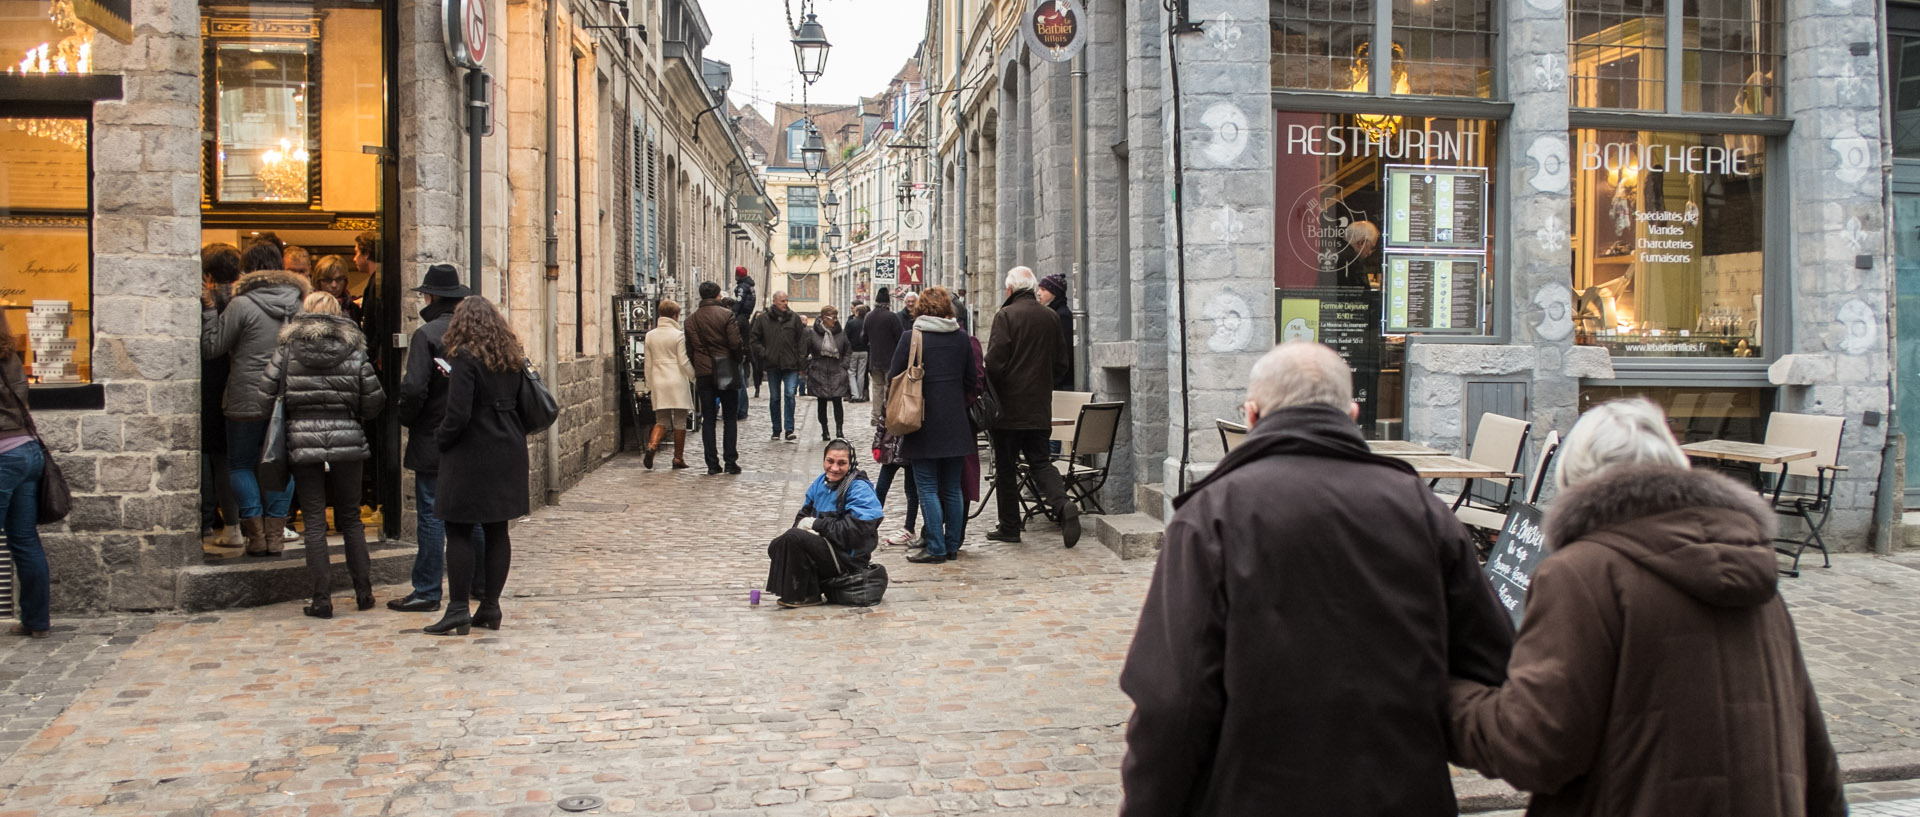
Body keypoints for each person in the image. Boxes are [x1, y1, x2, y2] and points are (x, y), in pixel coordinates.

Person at [1118, 342, 1514, 817]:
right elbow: (1493, 663)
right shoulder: (1421, 509)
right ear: (1352, 413)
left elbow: (1173, 703)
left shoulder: (1213, 517)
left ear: (1251, 415)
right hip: (1401, 795)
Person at [1448, 399, 1844, 817]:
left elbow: (1534, 747)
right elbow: (1815, 756)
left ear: (1575, 479)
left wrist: (1448, 696)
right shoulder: (1757, 573)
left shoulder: (1584, 573)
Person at [266, 292, 385, 619]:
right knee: (350, 516)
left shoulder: (288, 349)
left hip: (303, 440)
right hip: (347, 437)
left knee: (315, 520)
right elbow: (374, 400)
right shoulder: (354, 349)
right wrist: (350, 414)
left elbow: (267, 392)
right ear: (337, 314)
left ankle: (322, 600)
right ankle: (364, 592)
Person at [424, 297, 531, 636]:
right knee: (497, 529)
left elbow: (457, 414)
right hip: (509, 448)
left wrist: (440, 440)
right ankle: (490, 606)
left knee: (458, 529)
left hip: (471, 451)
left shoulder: (464, 356)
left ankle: (457, 608)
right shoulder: (512, 356)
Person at [202, 242, 312, 556]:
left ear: (248, 270)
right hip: (287, 394)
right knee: (281, 465)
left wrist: (210, 309)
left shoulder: (241, 304)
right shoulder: (300, 304)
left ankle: (257, 536)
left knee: (240, 465)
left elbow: (213, 347)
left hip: (245, 395)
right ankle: (276, 536)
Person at [390, 264, 485, 614]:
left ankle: (428, 589)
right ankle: (479, 582)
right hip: (471, 436)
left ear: (431, 297)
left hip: (433, 435)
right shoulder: (476, 335)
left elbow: (413, 388)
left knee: (431, 513)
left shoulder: (427, 335)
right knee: (471, 512)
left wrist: (406, 418)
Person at [984, 266, 1078, 547]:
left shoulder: (1006, 316)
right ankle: (1063, 505)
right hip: (1038, 407)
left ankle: (1010, 526)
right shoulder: (1050, 317)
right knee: (1040, 462)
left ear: (1011, 289)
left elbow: (995, 363)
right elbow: (1062, 363)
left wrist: (993, 389)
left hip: (1008, 411)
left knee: (1005, 467)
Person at [888, 286, 976, 564]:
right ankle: (951, 545)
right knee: (952, 487)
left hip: (921, 422)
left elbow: (894, 377)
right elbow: (971, 381)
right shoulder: (962, 339)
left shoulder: (911, 337)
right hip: (955, 423)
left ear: (921, 308)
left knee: (926, 488)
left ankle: (936, 547)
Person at [765, 439, 883, 607]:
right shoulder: (820, 483)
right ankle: (808, 589)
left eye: (841, 463)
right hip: (827, 547)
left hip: (848, 558)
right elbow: (801, 518)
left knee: (793, 537)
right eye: (830, 461)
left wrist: (817, 526)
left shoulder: (859, 488)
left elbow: (856, 533)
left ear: (851, 464)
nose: (834, 468)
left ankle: (805, 593)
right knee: (777, 546)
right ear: (824, 460)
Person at [0, 324, 51, 638]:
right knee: (24, 540)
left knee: (23, 540)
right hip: (28, 451)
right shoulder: (10, 356)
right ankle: (36, 622)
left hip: (4, 455)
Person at [200, 243, 244, 551]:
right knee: (231, 460)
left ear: (207, 275)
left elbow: (208, 346)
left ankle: (203, 522)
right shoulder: (245, 301)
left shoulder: (206, 302)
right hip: (238, 386)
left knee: (206, 456)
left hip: (207, 384)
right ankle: (235, 523)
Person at [685, 281, 744, 475]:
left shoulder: (691, 320)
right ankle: (730, 461)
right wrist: (736, 361)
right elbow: (735, 343)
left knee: (708, 418)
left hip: (704, 372)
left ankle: (712, 463)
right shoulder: (727, 315)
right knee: (729, 417)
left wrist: (700, 365)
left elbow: (690, 349)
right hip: (725, 369)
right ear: (718, 296)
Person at [642, 299, 696, 469]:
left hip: (659, 379)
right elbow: (684, 360)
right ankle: (678, 458)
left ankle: (652, 446)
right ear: (675, 315)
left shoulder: (650, 335)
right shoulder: (678, 335)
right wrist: (694, 377)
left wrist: (649, 384)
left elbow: (648, 363)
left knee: (662, 419)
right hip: (677, 380)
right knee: (680, 420)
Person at [750, 291, 808, 442]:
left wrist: (801, 363)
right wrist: (765, 353)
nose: (785, 303)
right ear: (775, 301)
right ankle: (776, 429)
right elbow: (754, 339)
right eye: (782, 301)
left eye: (787, 300)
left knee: (790, 395)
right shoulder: (763, 319)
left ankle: (789, 429)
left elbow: (802, 342)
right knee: (775, 397)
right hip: (772, 364)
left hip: (791, 364)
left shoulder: (794, 318)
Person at [806, 305, 851, 441]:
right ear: (825, 318)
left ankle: (839, 430)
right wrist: (809, 367)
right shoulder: (813, 333)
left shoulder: (841, 333)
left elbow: (848, 351)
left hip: (837, 371)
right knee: (822, 402)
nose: (835, 320)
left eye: (837, 317)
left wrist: (844, 366)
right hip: (819, 372)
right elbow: (806, 351)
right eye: (833, 318)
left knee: (838, 402)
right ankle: (824, 430)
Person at [864, 287, 903, 408]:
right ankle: (887, 415)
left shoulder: (869, 317)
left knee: (876, 388)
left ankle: (876, 415)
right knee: (889, 388)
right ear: (888, 303)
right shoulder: (892, 317)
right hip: (890, 359)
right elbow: (900, 337)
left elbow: (863, 338)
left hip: (874, 359)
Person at [1037, 273, 1074, 390]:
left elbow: (1064, 352)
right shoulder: (1051, 314)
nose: (1038, 293)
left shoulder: (1062, 316)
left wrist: (1055, 381)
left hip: (1061, 385)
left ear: (1054, 293)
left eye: (1043, 290)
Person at [732, 270, 757, 419]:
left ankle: (739, 410)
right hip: (743, 350)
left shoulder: (742, 287)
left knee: (739, 381)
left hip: (738, 353)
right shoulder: (751, 286)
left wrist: (733, 313)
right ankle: (742, 410)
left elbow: (740, 301)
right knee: (741, 381)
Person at [310, 254, 363, 325]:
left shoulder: (353, 308)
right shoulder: (309, 307)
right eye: (328, 280)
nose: (334, 285)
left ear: (345, 281)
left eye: (339, 279)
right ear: (318, 282)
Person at [845, 303, 870, 403]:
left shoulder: (851, 323)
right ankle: (860, 394)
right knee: (861, 373)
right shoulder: (866, 323)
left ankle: (854, 394)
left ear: (857, 312)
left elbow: (845, 337)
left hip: (853, 351)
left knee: (851, 372)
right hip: (864, 351)